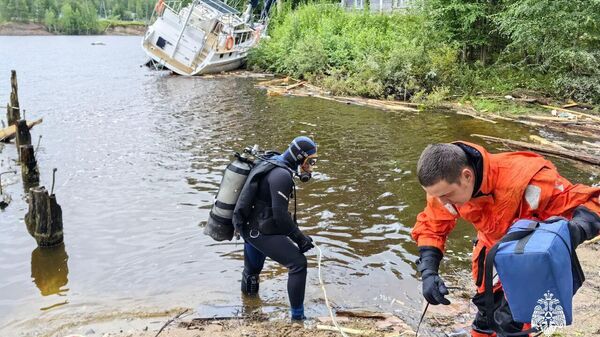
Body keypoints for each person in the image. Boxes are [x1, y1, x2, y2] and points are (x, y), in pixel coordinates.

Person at [411, 141, 600, 337]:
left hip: (528, 257)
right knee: (485, 313)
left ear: (467, 176)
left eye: (446, 195)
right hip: (490, 253)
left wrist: (572, 231)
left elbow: (592, 202)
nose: (442, 202)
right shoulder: (443, 188)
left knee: (512, 322)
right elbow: (433, 225)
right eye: (436, 196)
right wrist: (428, 270)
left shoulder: (529, 178)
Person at [233, 136, 318, 321]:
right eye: (310, 161)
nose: (311, 166)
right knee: (298, 264)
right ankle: (298, 318)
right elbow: (280, 216)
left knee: (252, 272)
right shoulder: (282, 175)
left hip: (249, 227)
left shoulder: (273, 161)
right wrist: (300, 239)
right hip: (259, 230)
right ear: (300, 157)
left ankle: (249, 310)